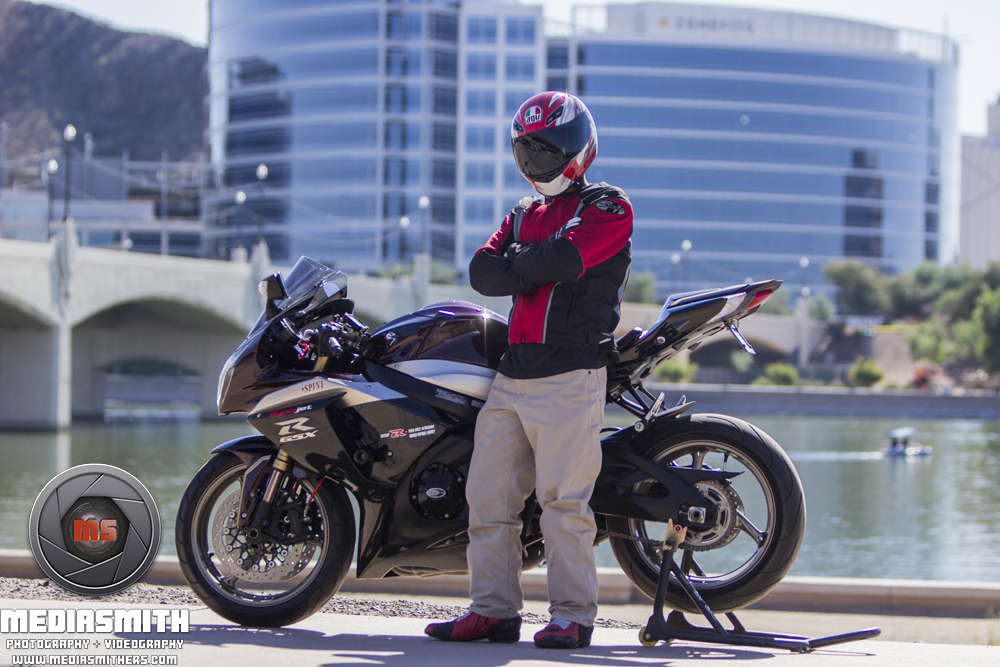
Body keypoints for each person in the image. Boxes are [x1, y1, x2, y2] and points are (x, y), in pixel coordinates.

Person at [425, 92, 633, 649]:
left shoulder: (609, 206)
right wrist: (535, 262)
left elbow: (562, 261)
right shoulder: (522, 212)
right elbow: (481, 272)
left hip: (571, 375)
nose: (533, 161)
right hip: (512, 379)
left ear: (576, 151)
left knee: (564, 501)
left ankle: (573, 616)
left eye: (544, 151)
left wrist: (523, 262)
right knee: (487, 499)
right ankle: (493, 611)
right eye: (526, 150)